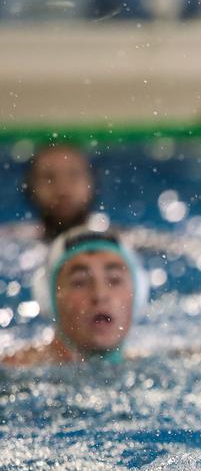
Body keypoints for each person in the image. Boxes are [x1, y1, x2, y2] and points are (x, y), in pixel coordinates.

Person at [2, 227, 148, 367]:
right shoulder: (13, 373)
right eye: (80, 282)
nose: (100, 294)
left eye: (115, 280)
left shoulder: (150, 366)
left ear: (137, 294)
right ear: (48, 298)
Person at [21, 144, 96, 242]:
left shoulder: (120, 241)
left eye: (73, 175)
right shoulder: (9, 240)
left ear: (91, 182)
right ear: (31, 187)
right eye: (48, 178)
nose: (62, 190)